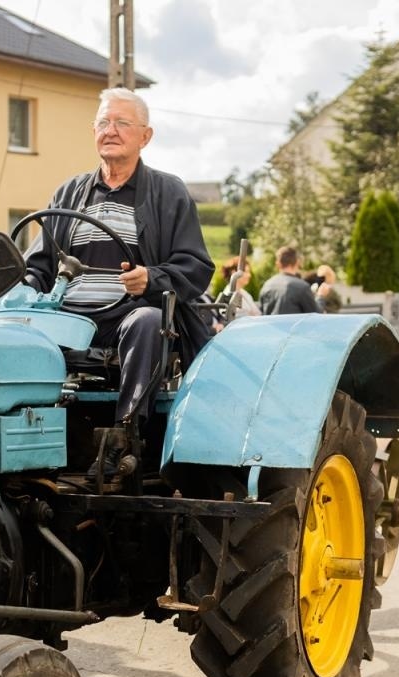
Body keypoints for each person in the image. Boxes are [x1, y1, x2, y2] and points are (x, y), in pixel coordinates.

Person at [22, 87, 213, 478]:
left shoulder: (168, 192)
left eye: (122, 123)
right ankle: (23, 432)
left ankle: (124, 436)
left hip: (128, 317)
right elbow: (39, 268)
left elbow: (196, 266)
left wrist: (152, 278)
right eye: (104, 122)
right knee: (16, 324)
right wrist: (18, 291)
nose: (111, 130)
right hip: (68, 318)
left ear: (145, 136)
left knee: (145, 320)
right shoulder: (68, 193)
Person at [258, 246, 323, 315]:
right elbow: (316, 315)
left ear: (278, 264)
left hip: (272, 326)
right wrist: (321, 297)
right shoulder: (302, 287)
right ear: (297, 262)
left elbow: (262, 314)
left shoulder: (267, 285)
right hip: (295, 326)